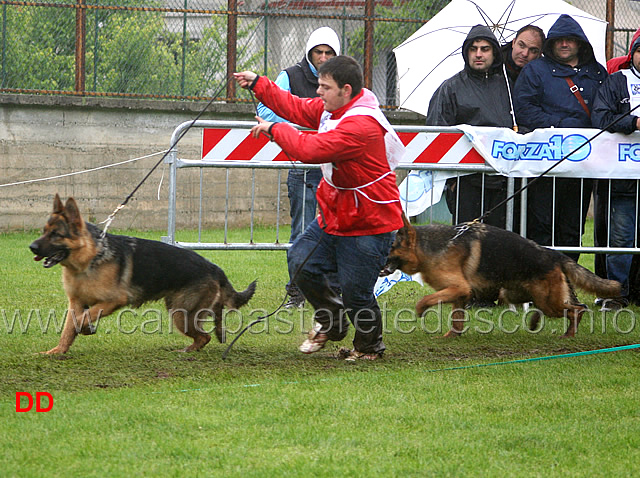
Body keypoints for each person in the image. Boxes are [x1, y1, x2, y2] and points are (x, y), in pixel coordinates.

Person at [234, 56, 405, 361]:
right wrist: (259, 84)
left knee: (356, 293)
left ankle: (369, 347)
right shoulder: (336, 107)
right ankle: (332, 320)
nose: (318, 93)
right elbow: (297, 107)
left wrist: (274, 130)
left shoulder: (361, 125)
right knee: (300, 260)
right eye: (319, 85)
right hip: (336, 214)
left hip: (369, 220)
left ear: (346, 90)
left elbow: (309, 149)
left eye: (325, 87)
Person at [256, 26, 341, 309]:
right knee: (302, 231)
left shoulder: (344, 78)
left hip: (336, 167)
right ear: (309, 52)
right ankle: (297, 292)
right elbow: (267, 109)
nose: (324, 57)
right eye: (319, 52)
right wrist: (298, 131)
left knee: (339, 228)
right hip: (302, 164)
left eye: (329, 53)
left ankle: (335, 290)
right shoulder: (290, 76)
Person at [513, 14, 607, 261]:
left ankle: (567, 286)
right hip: (545, 163)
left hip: (583, 164)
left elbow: (607, 111)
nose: (564, 44)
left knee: (572, 228)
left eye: (570, 40)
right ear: (551, 44)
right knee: (541, 225)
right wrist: (564, 127)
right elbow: (525, 109)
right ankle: (539, 284)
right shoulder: (535, 71)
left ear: (580, 43)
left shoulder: (598, 73)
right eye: (559, 40)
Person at [426, 24, 515, 229]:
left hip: (504, 181)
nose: (478, 54)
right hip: (466, 182)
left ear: (494, 52)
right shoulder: (450, 88)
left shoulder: (509, 86)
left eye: (485, 49)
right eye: (473, 49)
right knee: (465, 244)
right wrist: (451, 182)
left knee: (500, 246)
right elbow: (437, 132)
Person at [590, 35, 640, 311]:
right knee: (620, 237)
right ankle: (615, 294)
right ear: (632, 53)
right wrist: (633, 122)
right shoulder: (615, 81)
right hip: (623, 179)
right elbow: (600, 117)